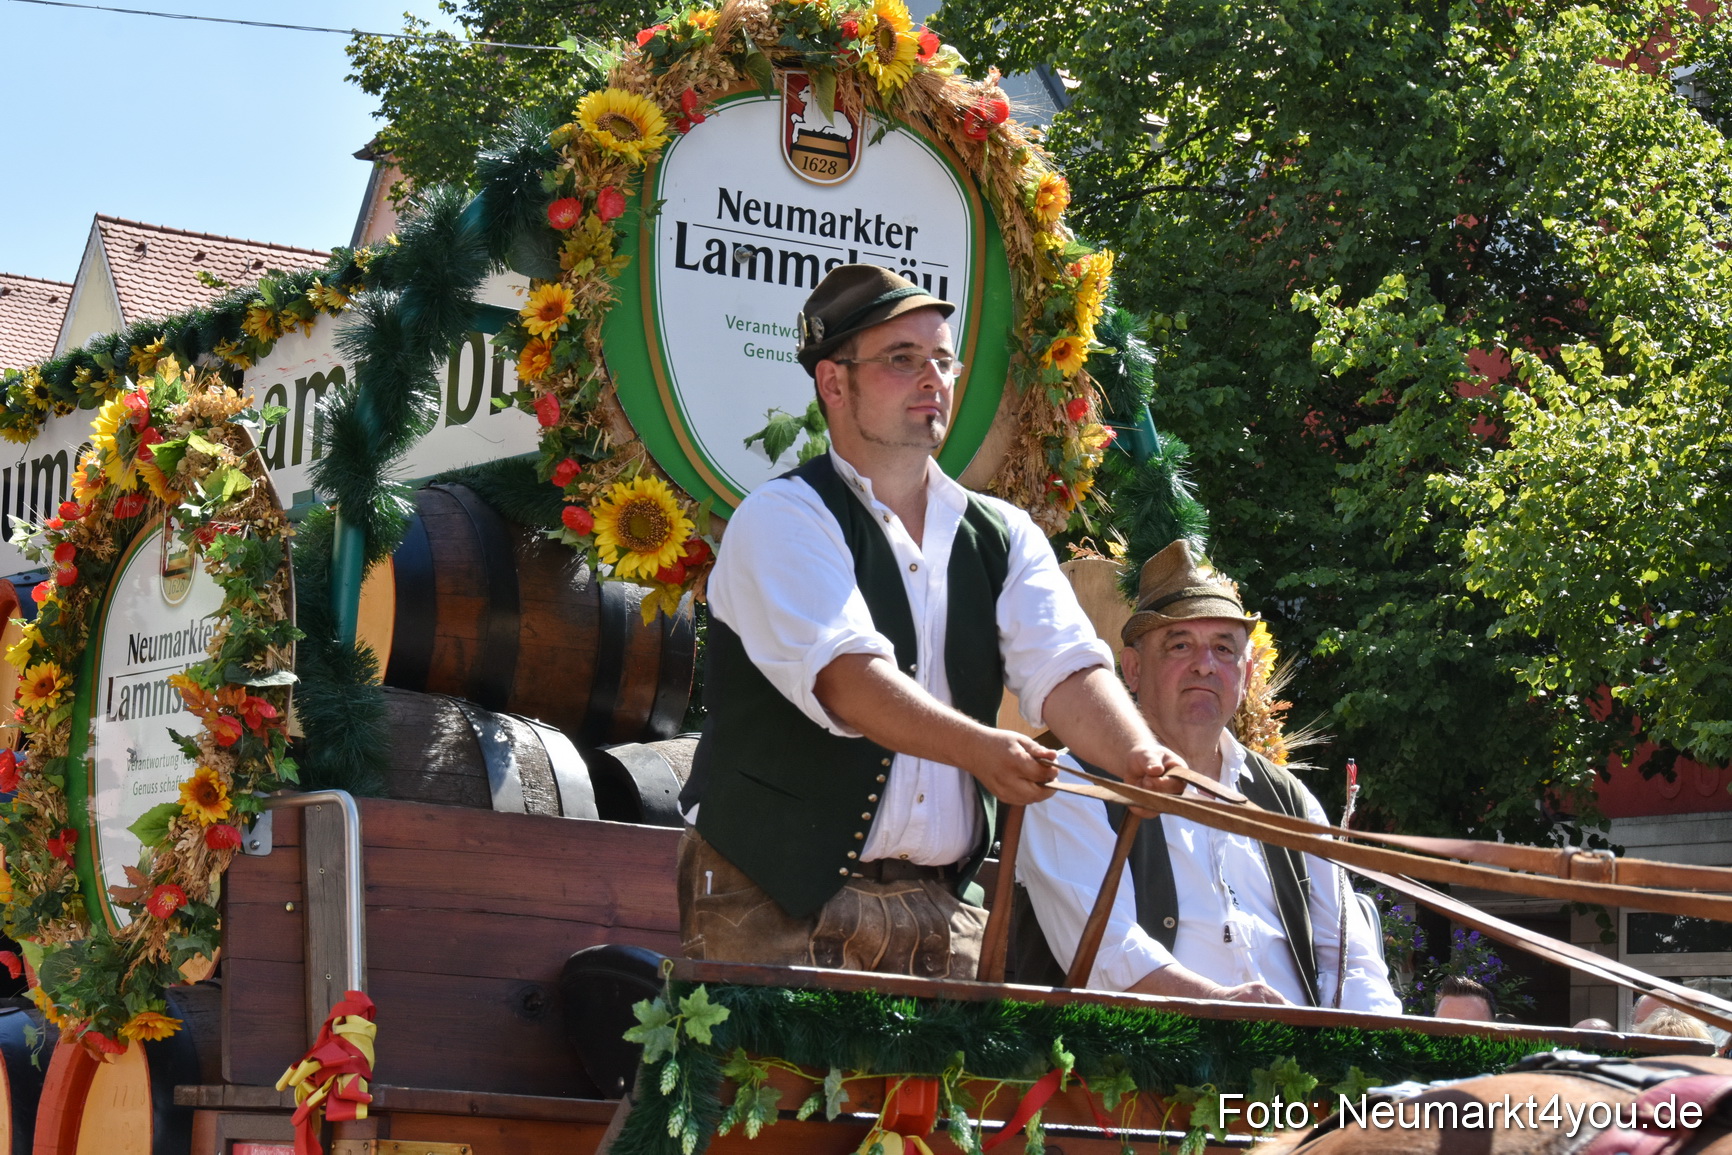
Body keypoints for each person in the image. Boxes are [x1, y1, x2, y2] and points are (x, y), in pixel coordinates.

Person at [675, 265, 1184, 979]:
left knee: (941, 1097)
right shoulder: (783, 517)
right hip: (769, 903)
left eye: (942, 360)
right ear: (833, 384)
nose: (932, 379)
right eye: (901, 360)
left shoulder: (1003, 534)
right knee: (762, 1095)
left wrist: (1137, 756)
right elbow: (850, 680)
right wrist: (984, 750)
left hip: (939, 910)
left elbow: (1066, 667)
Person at [1015, 541, 1402, 1012]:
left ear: (1245, 671)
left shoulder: (1288, 800)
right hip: (1145, 1065)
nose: (1206, 664)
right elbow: (1103, 952)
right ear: (1132, 670)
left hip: (1300, 1066)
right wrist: (1219, 1003)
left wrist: (1365, 1048)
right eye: (1180, 645)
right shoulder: (1075, 784)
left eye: (1224, 648)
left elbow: (1352, 958)